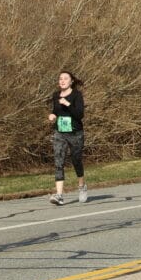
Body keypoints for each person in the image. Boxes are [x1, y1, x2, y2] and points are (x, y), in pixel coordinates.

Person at [48, 71, 86, 206]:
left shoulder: (76, 95)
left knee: (76, 160)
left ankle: (81, 186)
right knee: (59, 161)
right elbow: (56, 110)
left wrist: (68, 104)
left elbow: (80, 114)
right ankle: (59, 195)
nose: (62, 81)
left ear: (71, 82)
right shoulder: (55, 95)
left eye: (65, 78)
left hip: (75, 133)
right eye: (60, 79)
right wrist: (52, 115)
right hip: (60, 133)